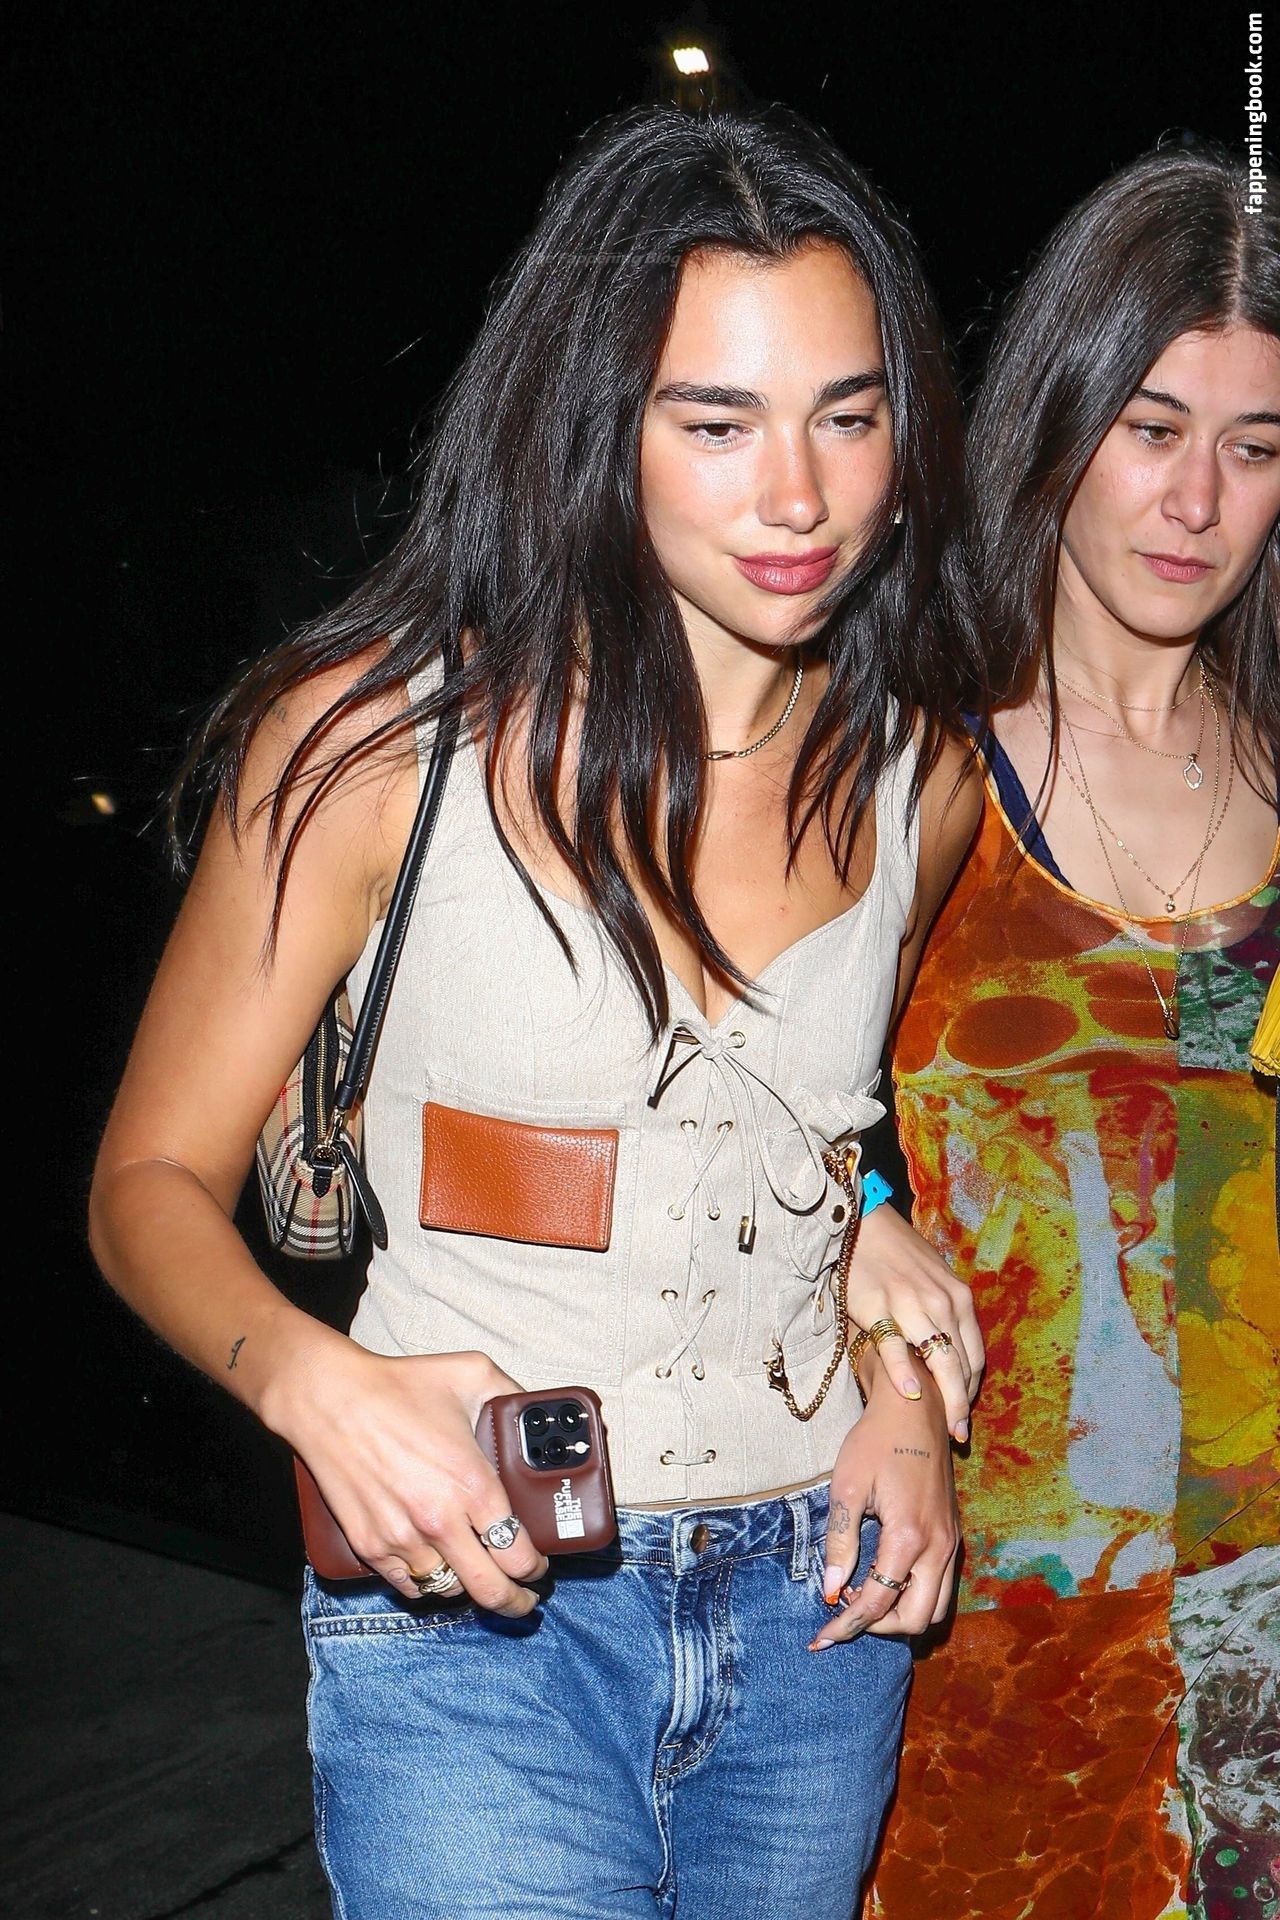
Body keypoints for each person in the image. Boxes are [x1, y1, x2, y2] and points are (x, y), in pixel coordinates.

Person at [89, 106, 987, 1918]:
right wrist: (322, 1393)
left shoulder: (923, 774)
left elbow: (824, 1142)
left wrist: (901, 1389)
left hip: (819, 1613)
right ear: (596, 424)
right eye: (715, 423)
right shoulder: (375, 748)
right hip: (479, 1608)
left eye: (848, 414)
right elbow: (144, 1185)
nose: (798, 496)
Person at [871, 143, 1280, 1920]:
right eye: (1151, 426)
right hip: (981, 1656)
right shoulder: (918, 766)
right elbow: (767, 1125)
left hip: (1261, 1644)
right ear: (1055, 420)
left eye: (1257, 447)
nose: (1197, 500)